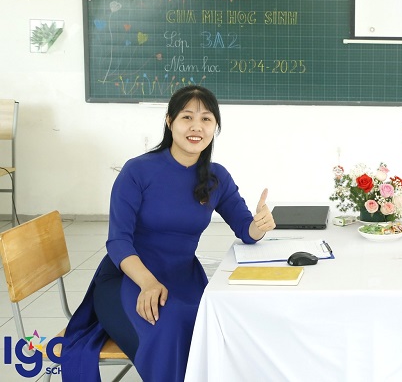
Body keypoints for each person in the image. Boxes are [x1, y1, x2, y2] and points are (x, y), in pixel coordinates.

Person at [62, 86, 276, 382]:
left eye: (206, 119)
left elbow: (245, 229)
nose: (196, 127)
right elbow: (118, 241)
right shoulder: (137, 171)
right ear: (169, 121)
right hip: (130, 278)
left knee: (221, 325)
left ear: (215, 127)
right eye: (187, 117)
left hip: (183, 278)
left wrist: (259, 225)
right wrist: (148, 283)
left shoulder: (217, 177)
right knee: (172, 325)